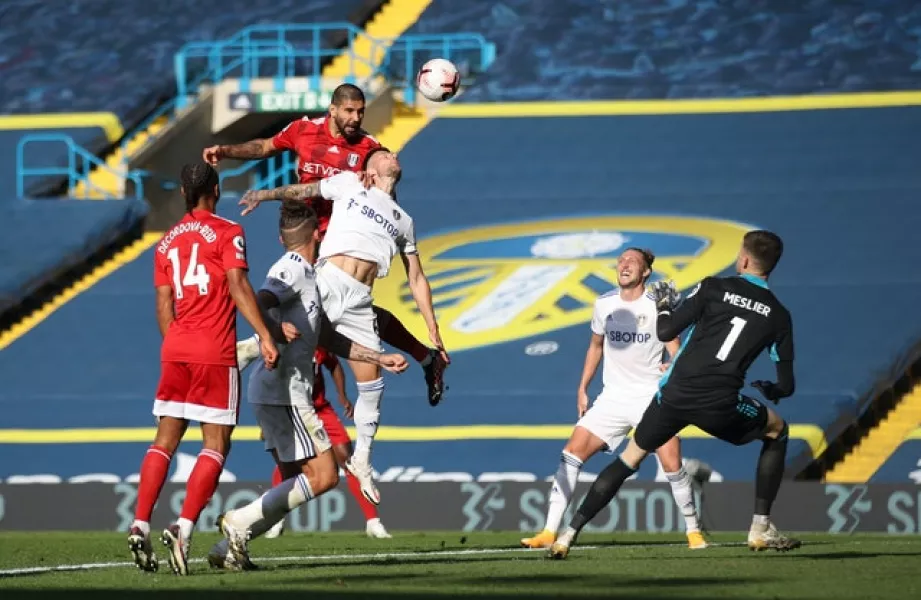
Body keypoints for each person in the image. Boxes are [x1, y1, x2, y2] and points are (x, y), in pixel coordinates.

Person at [549, 230, 799, 559]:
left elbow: (666, 330)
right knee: (778, 431)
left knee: (628, 459)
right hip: (719, 402)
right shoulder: (779, 316)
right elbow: (787, 385)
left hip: (673, 396)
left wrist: (665, 307)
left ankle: (568, 534)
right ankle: (760, 526)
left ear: (744, 259)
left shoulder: (714, 287)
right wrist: (772, 390)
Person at [202, 83, 449, 406]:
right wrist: (225, 151)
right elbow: (264, 147)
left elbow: (386, 191)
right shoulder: (303, 130)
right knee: (308, 306)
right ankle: (424, 359)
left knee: (331, 310)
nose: (356, 118)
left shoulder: (367, 148)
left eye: (360, 112)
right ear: (332, 110)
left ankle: (253, 354)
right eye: (349, 111)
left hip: (339, 246)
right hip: (303, 236)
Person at [208, 201, 407, 570]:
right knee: (325, 474)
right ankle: (238, 522)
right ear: (319, 235)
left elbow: (328, 337)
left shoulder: (309, 275)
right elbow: (261, 299)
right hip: (285, 391)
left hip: (277, 392)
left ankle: (227, 548)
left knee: (296, 480)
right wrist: (270, 327)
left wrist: (378, 358)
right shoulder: (292, 268)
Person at [236, 149, 440, 507]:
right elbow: (305, 191)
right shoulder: (351, 184)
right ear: (371, 169)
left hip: (360, 299)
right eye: (384, 154)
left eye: (393, 154)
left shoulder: (405, 221)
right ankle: (243, 351)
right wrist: (263, 195)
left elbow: (417, 277)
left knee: (373, 382)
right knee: (292, 331)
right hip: (329, 280)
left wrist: (432, 327)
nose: (392, 156)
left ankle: (361, 459)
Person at [128, 162, 279, 576]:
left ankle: (140, 522)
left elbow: (163, 305)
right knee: (216, 443)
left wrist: (177, 345)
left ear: (182, 192)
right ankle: (184, 526)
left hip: (174, 347)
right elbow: (238, 286)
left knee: (165, 439)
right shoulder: (229, 232)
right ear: (216, 188)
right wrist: (264, 335)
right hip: (213, 350)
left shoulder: (165, 243)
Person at [520, 248, 707, 550]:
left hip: (652, 397)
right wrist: (583, 388)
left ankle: (693, 531)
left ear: (646, 272)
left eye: (632, 261)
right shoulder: (604, 303)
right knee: (571, 453)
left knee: (672, 463)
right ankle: (548, 531)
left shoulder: (657, 305)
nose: (625, 265)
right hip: (612, 399)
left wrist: (673, 364)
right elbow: (595, 346)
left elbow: (676, 347)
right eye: (621, 261)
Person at [263, 346, 393, 540]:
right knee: (287, 464)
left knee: (349, 460)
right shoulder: (283, 345)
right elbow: (269, 381)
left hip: (320, 410)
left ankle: (373, 522)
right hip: (293, 410)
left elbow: (334, 365)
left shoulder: (318, 342)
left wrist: (342, 396)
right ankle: (276, 520)